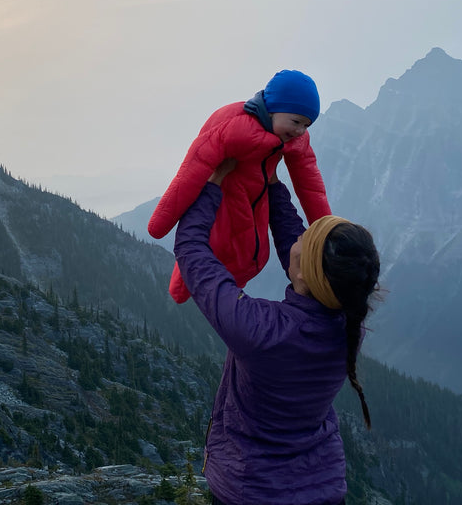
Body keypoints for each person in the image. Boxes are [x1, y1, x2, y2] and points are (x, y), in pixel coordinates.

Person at [174, 159, 381, 505]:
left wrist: (211, 183)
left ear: (305, 275)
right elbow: (299, 257)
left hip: (251, 491)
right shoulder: (348, 322)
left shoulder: (260, 331)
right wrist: (272, 184)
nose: (299, 236)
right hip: (323, 489)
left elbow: (192, 252)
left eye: (307, 238)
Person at [150, 69, 331, 303]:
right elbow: (192, 171)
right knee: (208, 246)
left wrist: (325, 229)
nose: (299, 131)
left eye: (306, 125)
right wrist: (160, 223)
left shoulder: (294, 138)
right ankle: (180, 289)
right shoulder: (234, 127)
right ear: (273, 108)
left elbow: (310, 185)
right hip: (221, 203)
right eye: (296, 122)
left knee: (249, 254)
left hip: (256, 204)